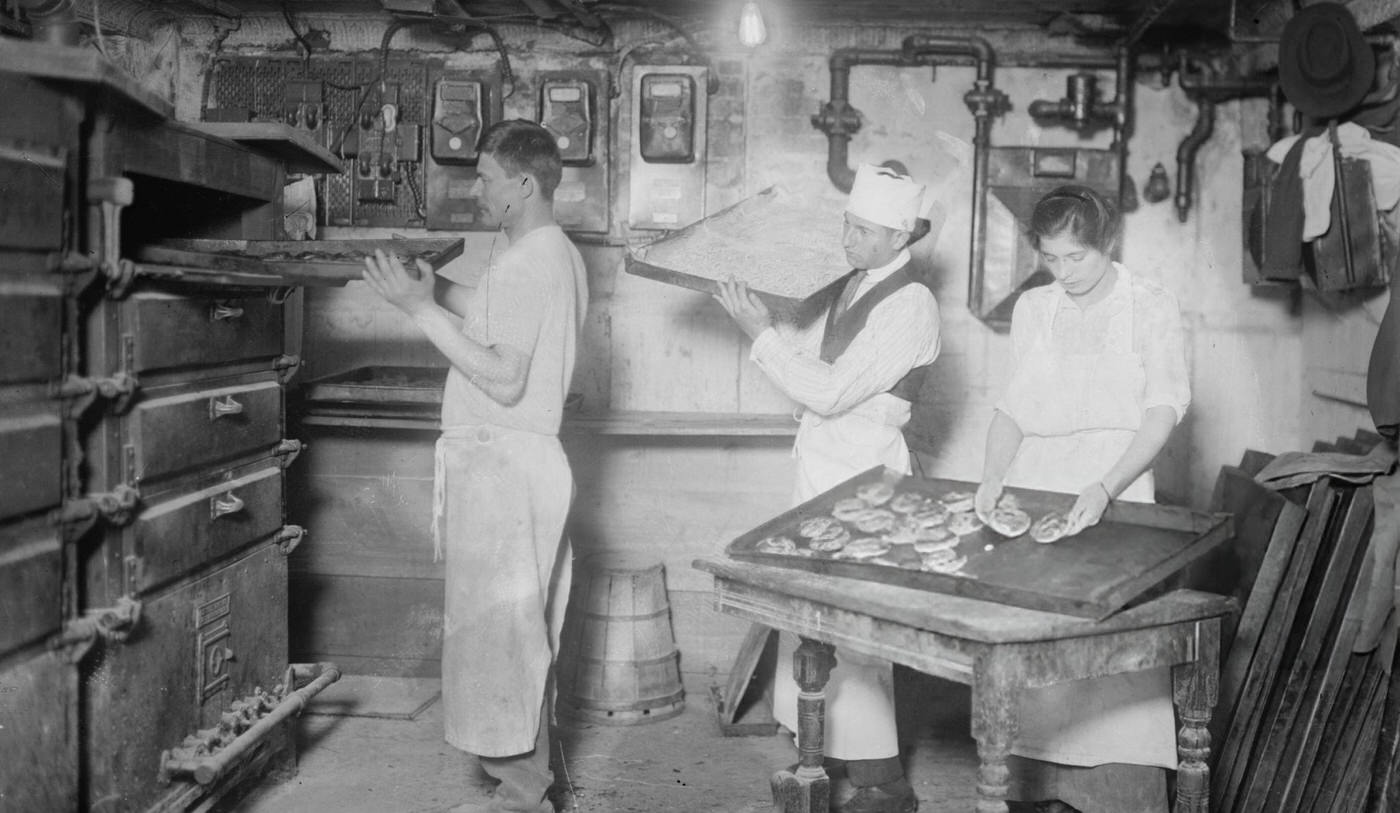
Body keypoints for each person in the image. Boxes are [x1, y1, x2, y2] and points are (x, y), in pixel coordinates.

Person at [361, 119, 588, 813]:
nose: (477, 188)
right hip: (516, 468)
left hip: (506, 469)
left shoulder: (529, 261)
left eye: (487, 177)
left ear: (524, 183)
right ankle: (525, 786)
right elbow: (500, 322)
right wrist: (440, 291)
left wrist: (416, 311)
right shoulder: (552, 252)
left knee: (502, 638)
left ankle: (522, 796)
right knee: (515, 635)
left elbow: (502, 373)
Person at [715, 162, 941, 813]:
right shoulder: (853, 285)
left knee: (858, 633)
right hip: (821, 466)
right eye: (849, 223)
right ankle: (815, 754)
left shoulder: (911, 303)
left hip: (865, 473)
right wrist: (757, 312)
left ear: (902, 237)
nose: (850, 238)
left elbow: (830, 390)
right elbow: (808, 359)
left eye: (865, 230)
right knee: (807, 621)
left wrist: (756, 333)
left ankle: (880, 779)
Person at [974, 184, 1191, 813]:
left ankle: (1119, 796)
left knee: (1113, 658)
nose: (1064, 273)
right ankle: (1038, 793)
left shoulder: (1150, 303)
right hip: (1040, 490)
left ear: (1109, 244)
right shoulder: (1034, 309)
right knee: (1040, 654)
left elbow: (1162, 412)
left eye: (1078, 258)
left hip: (1115, 486)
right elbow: (1011, 411)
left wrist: (1105, 487)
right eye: (1051, 259)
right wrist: (992, 475)